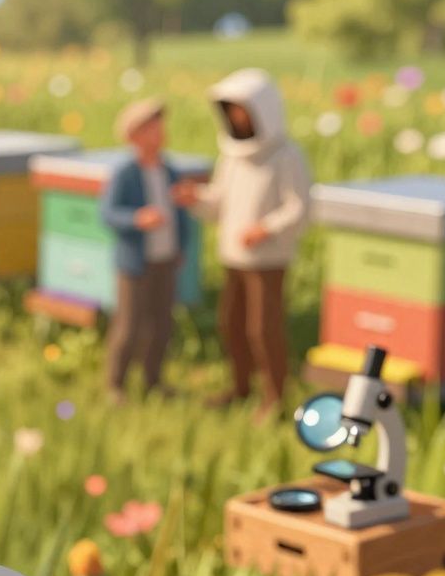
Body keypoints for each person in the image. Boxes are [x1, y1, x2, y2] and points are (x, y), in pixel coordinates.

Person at [173, 68, 311, 419]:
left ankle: (276, 398)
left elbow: (299, 208)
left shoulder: (287, 156)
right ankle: (240, 387)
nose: (236, 116)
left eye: (242, 109)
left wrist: (265, 228)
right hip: (233, 258)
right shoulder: (232, 156)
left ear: (262, 110)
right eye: (230, 110)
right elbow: (220, 203)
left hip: (267, 262)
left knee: (263, 331)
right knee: (231, 325)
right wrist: (196, 198)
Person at [100, 98, 195, 402]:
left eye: (160, 127)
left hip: (164, 260)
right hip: (135, 264)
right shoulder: (125, 172)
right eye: (151, 128)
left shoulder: (170, 170)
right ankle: (115, 384)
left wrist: (181, 245)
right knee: (128, 326)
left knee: (162, 324)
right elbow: (108, 213)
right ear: (134, 136)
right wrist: (137, 218)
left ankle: (153, 380)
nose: (159, 133)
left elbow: (180, 213)